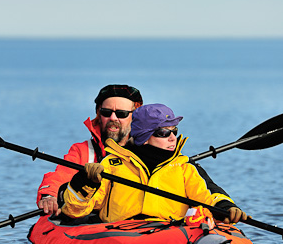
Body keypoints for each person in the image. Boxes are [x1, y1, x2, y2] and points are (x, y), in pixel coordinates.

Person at [60, 103, 248, 224]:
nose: (172, 138)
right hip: (120, 235)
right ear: (144, 137)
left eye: (174, 131)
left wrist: (225, 208)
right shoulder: (112, 165)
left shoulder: (184, 168)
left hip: (171, 234)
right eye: (163, 133)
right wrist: (85, 182)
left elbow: (206, 197)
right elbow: (74, 211)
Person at [37, 84, 143, 214]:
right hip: (88, 221)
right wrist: (49, 195)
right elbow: (61, 175)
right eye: (106, 112)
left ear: (135, 117)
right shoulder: (83, 150)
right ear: (99, 114)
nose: (113, 118)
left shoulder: (147, 149)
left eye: (122, 114)